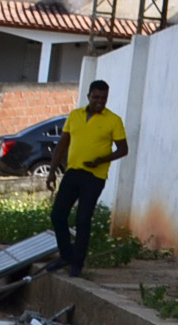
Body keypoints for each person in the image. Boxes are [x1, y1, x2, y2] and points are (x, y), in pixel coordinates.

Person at [45, 80, 129, 277]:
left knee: (83, 219)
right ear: (88, 96)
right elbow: (62, 145)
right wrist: (51, 172)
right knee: (58, 215)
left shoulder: (113, 120)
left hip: (94, 176)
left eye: (104, 98)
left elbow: (123, 150)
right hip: (72, 172)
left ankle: (77, 263)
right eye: (96, 97)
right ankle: (66, 255)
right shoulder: (75, 116)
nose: (100, 101)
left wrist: (102, 159)